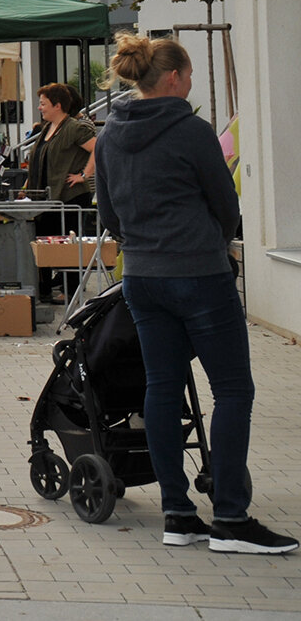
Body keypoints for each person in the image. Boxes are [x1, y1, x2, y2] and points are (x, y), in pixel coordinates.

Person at [94, 34, 293, 554]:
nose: (190, 84)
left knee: (162, 387)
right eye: (188, 76)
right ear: (174, 77)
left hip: (142, 277)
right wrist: (212, 244)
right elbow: (226, 205)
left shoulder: (110, 134)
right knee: (233, 390)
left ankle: (178, 515)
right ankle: (230, 518)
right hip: (199, 273)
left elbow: (108, 213)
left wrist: (142, 244)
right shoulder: (192, 131)